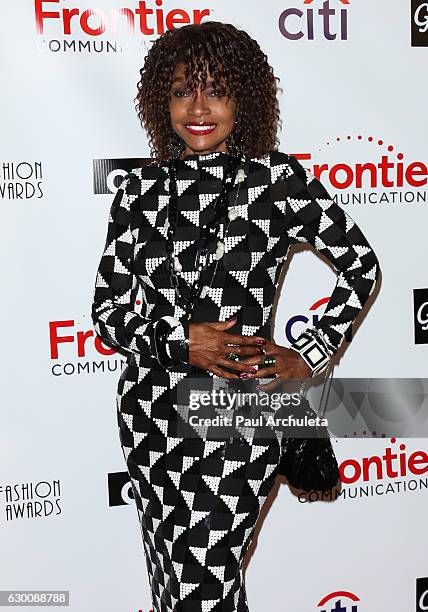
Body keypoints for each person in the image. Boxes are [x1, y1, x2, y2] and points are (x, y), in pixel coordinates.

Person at [91, 21, 380, 612]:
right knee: (173, 586)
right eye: (179, 91)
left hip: (242, 409)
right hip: (150, 409)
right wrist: (181, 343)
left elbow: (362, 268)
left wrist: (308, 355)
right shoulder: (137, 191)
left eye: (215, 90)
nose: (197, 108)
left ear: (243, 98)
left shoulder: (280, 182)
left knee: (207, 587)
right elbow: (108, 314)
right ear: (159, 101)